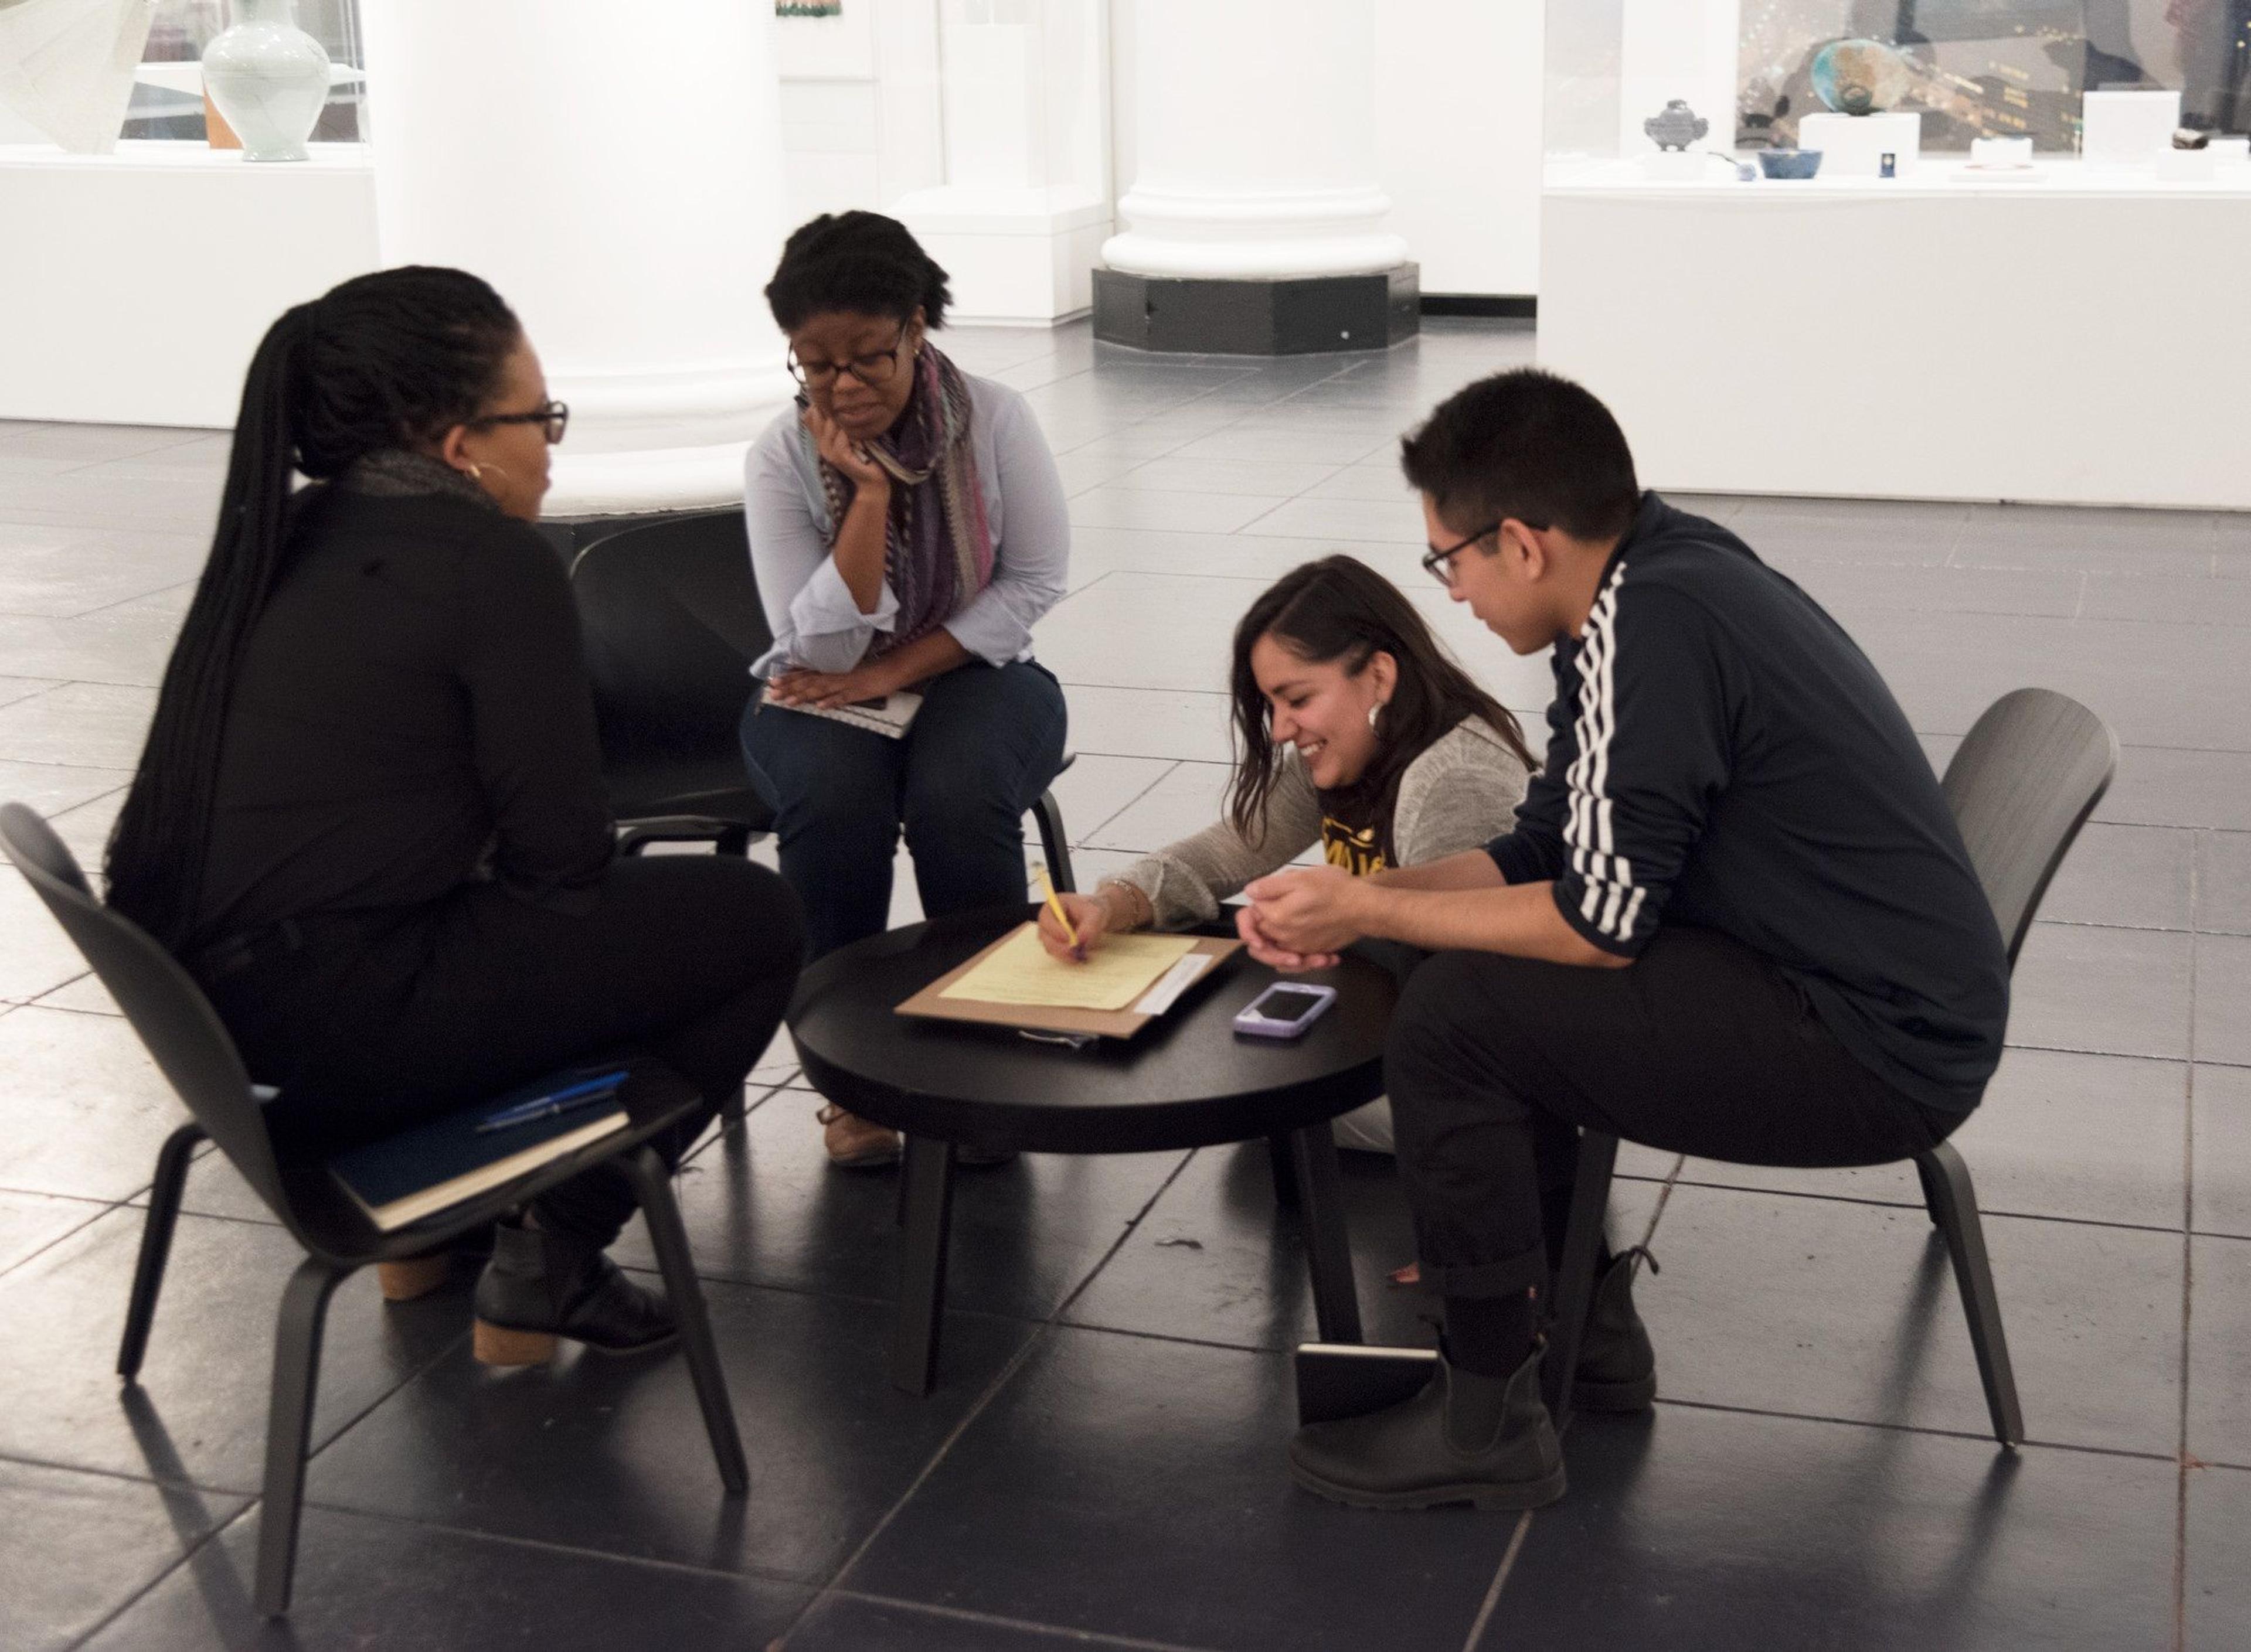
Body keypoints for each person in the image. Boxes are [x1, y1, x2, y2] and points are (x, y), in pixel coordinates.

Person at [1252, 370, 2009, 1510]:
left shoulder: (1646, 630)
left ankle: (1487, 1410)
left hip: (1874, 1042)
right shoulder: (1658, 578)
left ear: (1521, 541)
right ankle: (1587, 1326)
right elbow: (1545, 848)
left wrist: (1372, 908)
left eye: (1448, 559)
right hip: (1853, 980)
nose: (1448, 592)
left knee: (1459, 1019)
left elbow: (1601, 922)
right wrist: (1375, 900)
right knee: (1468, 964)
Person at [104, 267, 804, 1368]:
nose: (553, 446)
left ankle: (431, 1248)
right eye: (541, 418)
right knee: (753, 920)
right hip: (346, 1041)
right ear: (458, 442)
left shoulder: (287, 529)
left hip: (228, 1034)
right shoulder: (493, 560)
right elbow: (566, 853)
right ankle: (550, 1260)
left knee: (544, 926)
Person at [740, 212, 1070, 1169]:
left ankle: (982, 1064)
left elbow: (1033, 583)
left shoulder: (998, 418)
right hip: (819, 681)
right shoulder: (779, 456)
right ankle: (852, 1084)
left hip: (979, 667)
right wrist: (869, 500)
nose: (841, 386)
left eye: (866, 359)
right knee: (835, 805)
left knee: (958, 796)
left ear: (916, 327)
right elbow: (810, 640)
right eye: (814, 364)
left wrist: (894, 668)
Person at [1035, 554, 1535, 1152]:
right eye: (1273, 704)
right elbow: (1223, 850)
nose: (1278, 729)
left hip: (1495, 1087)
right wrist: (1111, 904)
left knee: (1257, 1094)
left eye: (1295, 698)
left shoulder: (1454, 777)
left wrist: (1338, 914)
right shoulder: (1350, 749)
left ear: (1379, 676)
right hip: (1425, 1039)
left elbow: (1462, 974)